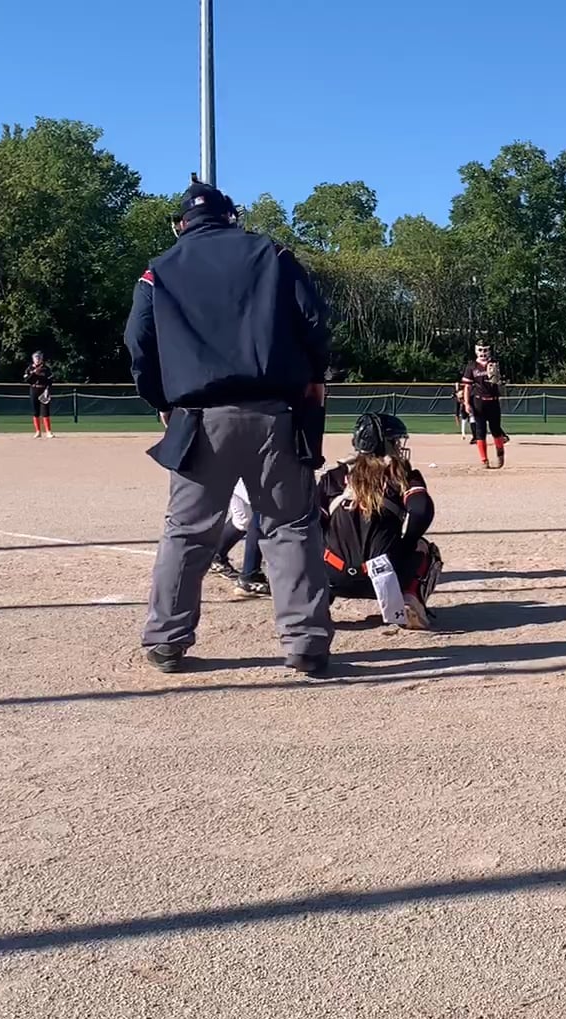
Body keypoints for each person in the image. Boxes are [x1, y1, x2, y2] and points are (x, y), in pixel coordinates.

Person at [127, 178, 335, 675]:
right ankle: (305, 642)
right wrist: (314, 376)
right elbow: (314, 320)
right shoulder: (273, 254)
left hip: (199, 419)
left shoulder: (158, 269)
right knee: (291, 526)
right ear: (231, 217)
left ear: (181, 224)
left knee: (187, 532)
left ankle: (167, 640)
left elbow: (138, 340)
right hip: (275, 413)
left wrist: (161, 399)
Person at [318, 412, 443, 629]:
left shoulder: (333, 477)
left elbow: (310, 522)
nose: (398, 446)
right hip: (385, 575)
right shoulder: (401, 475)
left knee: (314, 547)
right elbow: (421, 511)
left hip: (333, 575)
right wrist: (406, 543)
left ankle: (317, 602)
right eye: (395, 441)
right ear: (385, 443)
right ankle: (410, 598)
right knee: (425, 549)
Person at [208, 480, 270, 596]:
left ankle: (215, 557)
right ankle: (251, 577)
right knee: (263, 513)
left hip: (234, 475)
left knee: (243, 518)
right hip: (251, 477)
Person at [459, 342, 508, 468]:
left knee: (496, 430)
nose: (483, 353)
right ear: (476, 351)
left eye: (485, 350)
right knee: (480, 431)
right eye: (480, 350)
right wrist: (466, 403)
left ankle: (500, 455)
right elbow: (467, 387)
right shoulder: (472, 366)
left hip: (493, 401)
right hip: (479, 402)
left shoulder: (495, 363)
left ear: (489, 351)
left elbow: (503, 383)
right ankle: (484, 460)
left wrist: (499, 381)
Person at [25, 351, 55, 439]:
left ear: (42, 359)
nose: (37, 359)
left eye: (39, 358)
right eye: (36, 358)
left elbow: (50, 380)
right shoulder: (29, 368)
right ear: (33, 359)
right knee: (35, 412)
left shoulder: (46, 369)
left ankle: (48, 431)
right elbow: (27, 380)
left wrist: (47, 390)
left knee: (45, 411)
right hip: (34, 390)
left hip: (43, 390)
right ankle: (38, 431)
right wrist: (33, 373)